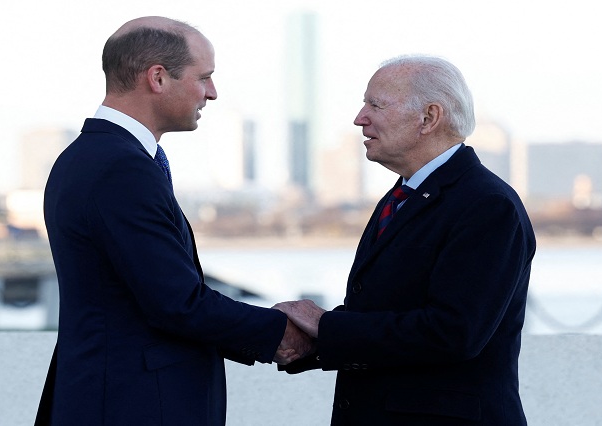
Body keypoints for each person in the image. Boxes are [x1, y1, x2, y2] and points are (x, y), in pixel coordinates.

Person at [35, 16, 311, 426]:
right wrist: (285, 335)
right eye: (204, 77)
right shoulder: (119, 168)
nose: (212, 93)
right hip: (133, 406)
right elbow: (177, 303)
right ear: (158, 78)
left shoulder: (93, 157)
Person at [274, 55, 536, 425]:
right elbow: (387, 312)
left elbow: (453, 333)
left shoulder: (486, 205)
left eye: (375, 104)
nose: (359, 118)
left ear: (429, 118)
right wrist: (312, 343)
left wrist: (326, 328)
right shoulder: (404, 196)